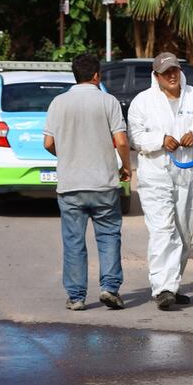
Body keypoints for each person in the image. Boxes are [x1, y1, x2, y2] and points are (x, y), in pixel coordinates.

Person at [128, 52, 193, 309]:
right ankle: (162, 288)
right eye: (165, 72)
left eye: (174, 70)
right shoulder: (143, 102)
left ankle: (172, 283)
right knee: (163, 230)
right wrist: (160, 140)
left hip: (187, 174)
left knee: (183, 231)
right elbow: (135, 137)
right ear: (156, 76)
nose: (171, 76)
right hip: (155, 175)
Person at [43, 53, 131, 311]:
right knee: (109, 236)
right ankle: (109, 288)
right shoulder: (108, 101)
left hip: (71, 185)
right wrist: (126, 167)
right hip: (103, 184)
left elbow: (48, 143)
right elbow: (121, 141)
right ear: (96, 76)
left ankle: (76, 297)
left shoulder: (58, 103)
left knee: (73, 241)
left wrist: (67, 155)